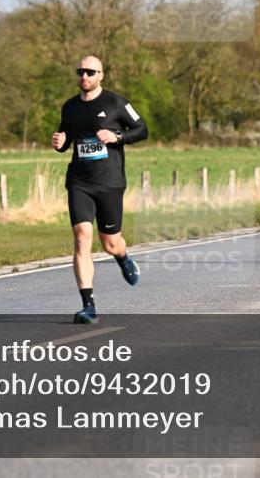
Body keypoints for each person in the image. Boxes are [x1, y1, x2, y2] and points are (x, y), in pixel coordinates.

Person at [52, 56, 148, 324]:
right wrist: (60, 141)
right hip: (79, 181)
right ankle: (88, 305)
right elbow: (66, 137)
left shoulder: (116, 103)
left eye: (90, 72)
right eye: (81, 71)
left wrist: (117, 136)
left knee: (110, 242)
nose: (85, 76)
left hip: (110, 182)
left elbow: (142, 129)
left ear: (101, 75)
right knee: (82, 236)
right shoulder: (69, 107)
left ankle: (122, 256)